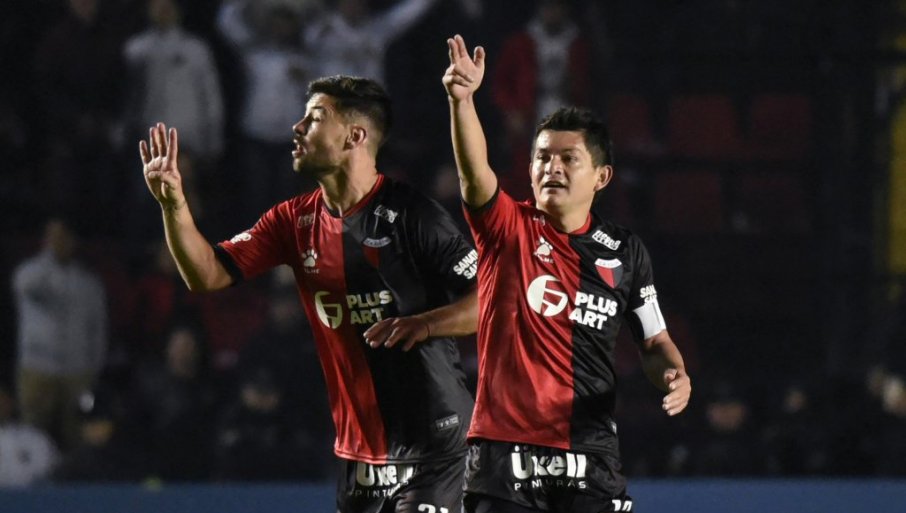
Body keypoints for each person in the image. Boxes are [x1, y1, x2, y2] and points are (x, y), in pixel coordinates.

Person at [139, 75, 478, 512]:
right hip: (360, 456)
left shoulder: (414, 215)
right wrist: (174, 206)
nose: (297, 128)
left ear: (355, 136)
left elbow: (490, 300)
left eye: (315, 118)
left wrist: (426, 324)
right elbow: (206, 274)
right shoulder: (292, 221)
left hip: (435, 444)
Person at [442, 35, 692, 512]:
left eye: (568, 158)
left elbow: (654, 341)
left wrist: (674, 374)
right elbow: (474, 175)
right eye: (542, 157)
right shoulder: (506, 228)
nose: (551, 167)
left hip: (590, 458)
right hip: (503, 460)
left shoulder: (625, 252)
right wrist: (463, 102)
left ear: (602, 176)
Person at [11, 217, 109, 452]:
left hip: (78, 372)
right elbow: (24, 287)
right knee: (33, 434)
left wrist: (94, 368)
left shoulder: (88, 282)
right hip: (37, 370)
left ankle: (76, 473)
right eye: (53, 236)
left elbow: (98, 328)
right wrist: (49, 258)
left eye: (63, 237)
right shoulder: (30, 272)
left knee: (78, 433)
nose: (59, 241)